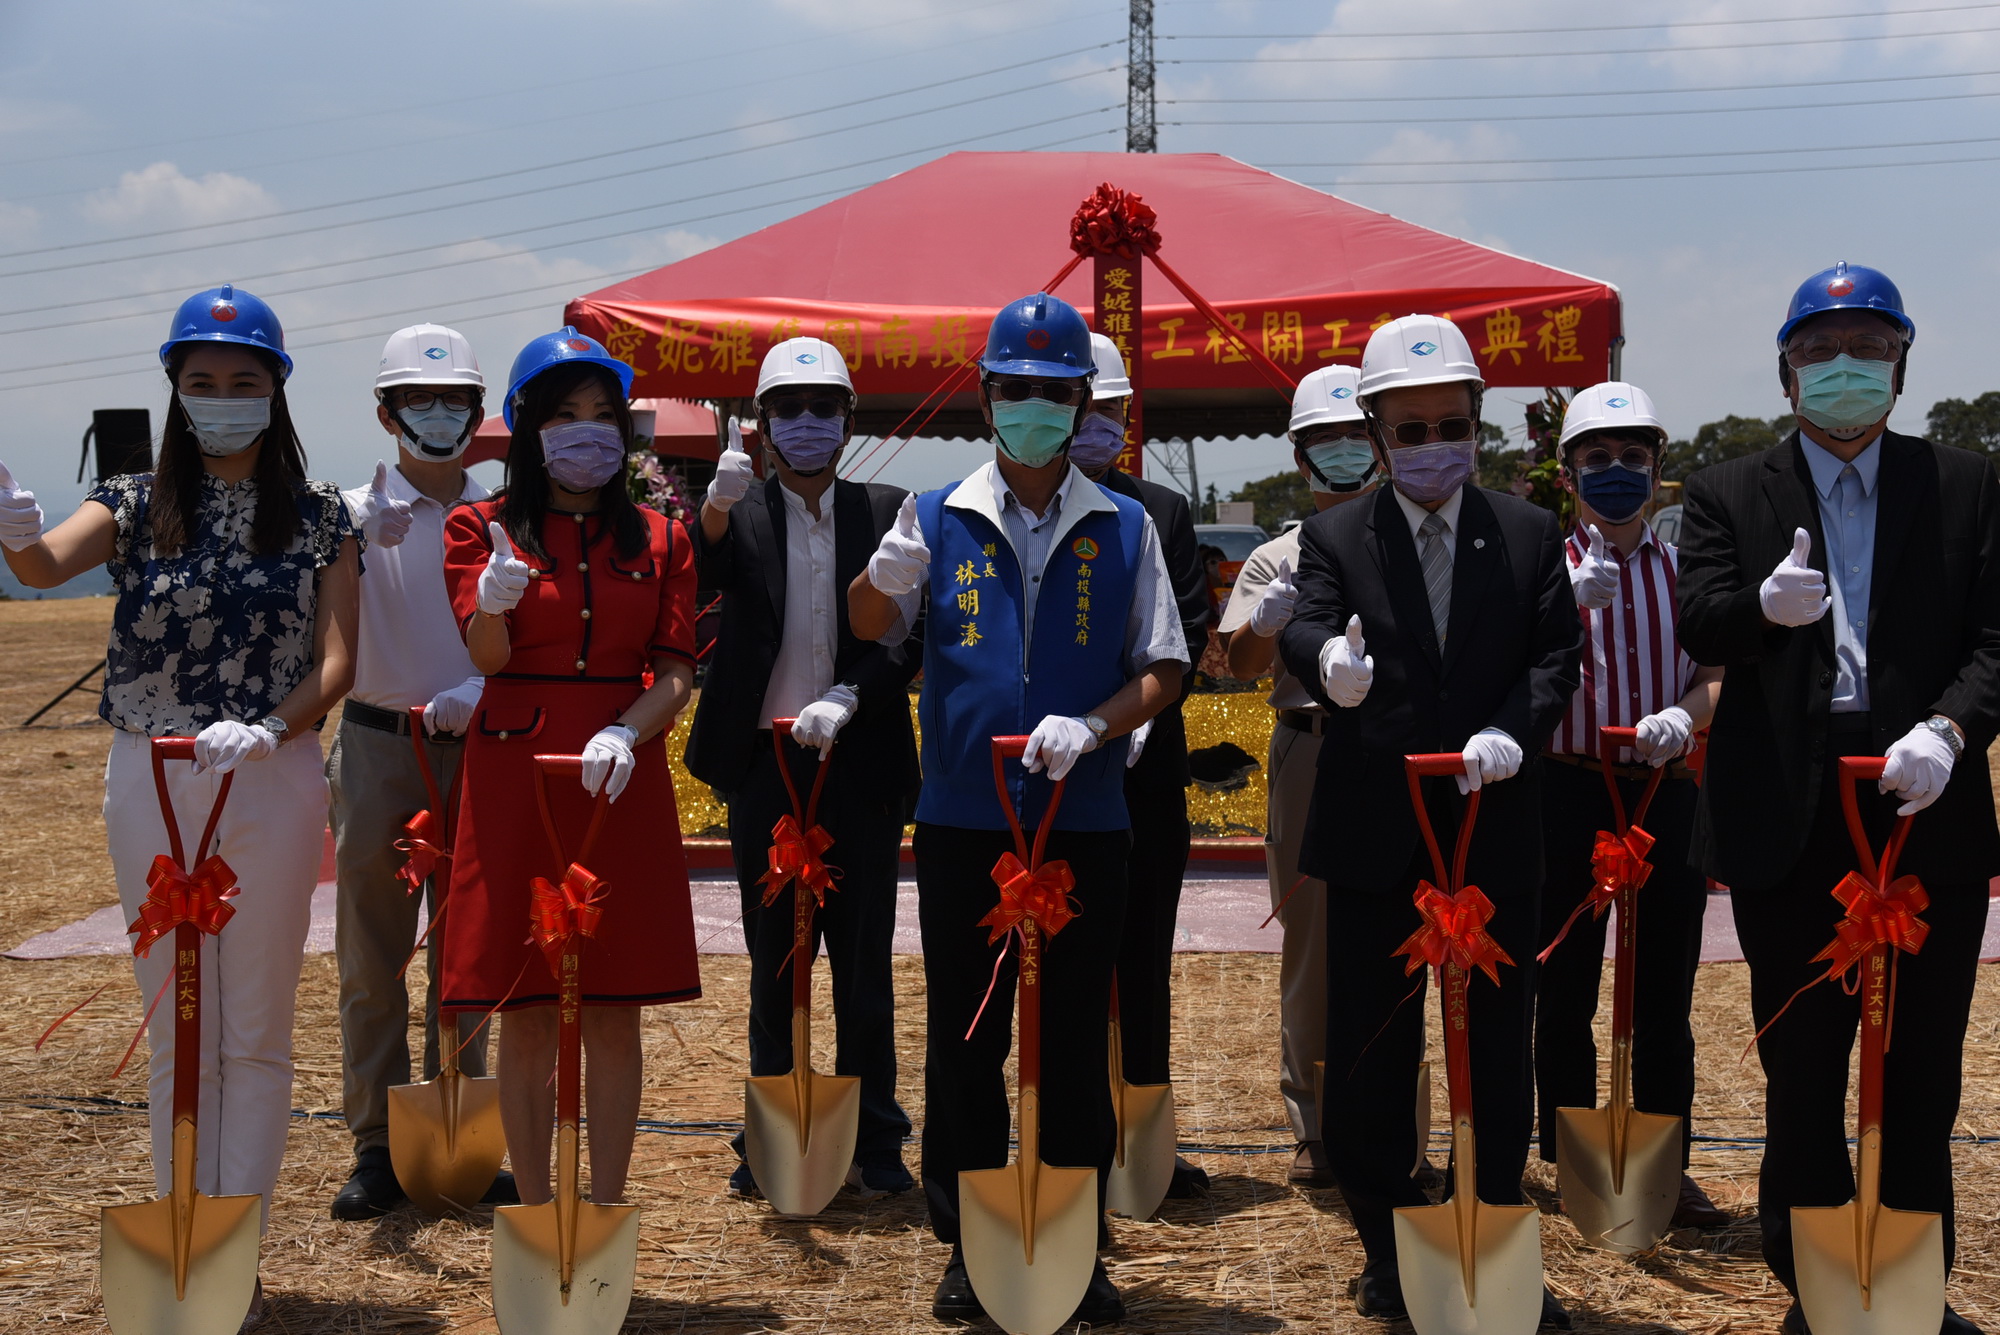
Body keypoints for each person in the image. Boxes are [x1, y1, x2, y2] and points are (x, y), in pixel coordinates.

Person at [0, 285, 359, 1325]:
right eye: (202, 383)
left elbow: (340, 658)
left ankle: (229, 1253)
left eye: (244, 382)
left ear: (276, 390)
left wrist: (276, 727)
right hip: (150, 773)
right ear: (175, 391)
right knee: (174, 1017)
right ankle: (178, 1229)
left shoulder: (325, 513)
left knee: (251, 1021)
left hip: (272, 772)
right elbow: (40, 565)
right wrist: (15, 529)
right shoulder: (128, 497)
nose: (222, 398)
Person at [848, 293, 1187, 1325]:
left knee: (1077, 1038)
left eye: (1052, 393)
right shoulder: (934, 510)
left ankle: (1074, 1245)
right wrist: (881, 575)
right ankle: (970, 1236)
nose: (1032, 408)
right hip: (962, 815)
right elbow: (871, 626)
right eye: (1013, 391)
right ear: (985, 398)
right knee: (968, 1033)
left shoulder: (1123, 522)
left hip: (1083, 819)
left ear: (1081, 403)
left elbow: (1164, 665)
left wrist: (1092, 728)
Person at [1677, 263, 2000, 1335]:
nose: (1844, 367)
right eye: (1819, 350)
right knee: (1805, 1067)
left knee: (1918, 1070)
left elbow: (1996, 639)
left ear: (1901, 363)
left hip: (1924, 794)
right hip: (1789, 805)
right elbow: (1700, 626)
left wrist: (1948, 729)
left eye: (1867, 347)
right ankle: (1815, 1286)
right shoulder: (1726, 493)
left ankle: (1907, 1290)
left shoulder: (1963, 483)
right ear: (1784, 373)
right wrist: (1762, 614)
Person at [1276, 314, 1581, 1327]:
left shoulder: (1530, 533)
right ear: (1371, 431)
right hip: (1375, 832)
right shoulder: (1333, 534)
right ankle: (1386, 1241)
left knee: (1495, 1051)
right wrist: (1327, 663)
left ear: (1475, 423)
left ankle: (1492, 1238)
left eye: (1448, 424)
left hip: (1492, 830)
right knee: (1370, 1052)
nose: (1429, 446)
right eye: (1406, 431)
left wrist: (1511, 732)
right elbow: (1310, 619)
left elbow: (1552, 658)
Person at [439, 326, 701, 1211]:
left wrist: (628, 732)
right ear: (526, 427)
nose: (587, 432)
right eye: (565, 415)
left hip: (617, 772)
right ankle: (541, 1210)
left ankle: (607, 1207)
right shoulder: (478, 525)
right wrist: (494, 600)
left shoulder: (663, 536)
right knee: (526, 1002)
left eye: (602, 414)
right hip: (514, 772)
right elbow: (481, 653)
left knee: (614, 998)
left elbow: (675, 667)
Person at [685, 337, 920, 1200]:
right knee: (774, 957)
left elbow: (908, 634)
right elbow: (696, 580)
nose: (808, 425)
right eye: (790, 410)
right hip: (765, 761)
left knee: (861, 959)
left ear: (848, 420)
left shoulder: (889, 507)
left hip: (858, 755)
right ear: (763, 424)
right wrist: (712, 512)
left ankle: (877, 1136)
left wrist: (854, 692)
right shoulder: (739, 507)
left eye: (825, 409)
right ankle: (770, 1136)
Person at [327, 324, 514, 1219]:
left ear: (478, 416)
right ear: (386, 412)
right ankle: (374, 1140)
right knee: (373, 950)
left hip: (478, 742)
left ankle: (460, 1129)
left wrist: (482, 685)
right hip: (377, 740)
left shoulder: (502, 514)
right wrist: (348, 544)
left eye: (454, 403)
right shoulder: (341, 513)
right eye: (417, 402)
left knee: (466, 953)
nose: (437, 417)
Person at [1530, 382, 1728, 1229]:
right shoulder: (1538, 569)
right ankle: (1571, 1154)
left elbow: (1717, 671)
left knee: (1662, 993)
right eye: (1597, 459)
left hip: (1662, 789)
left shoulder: (1688, 571)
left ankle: (1665, 1164)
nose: (1617, 473)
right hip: (1566, 784)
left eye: (1633, 459)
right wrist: (1564, 604)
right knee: (1563, 983)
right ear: (1568, 473)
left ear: (1658, 471)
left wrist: (1686, 715)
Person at [1215, 364, 1376, 1188]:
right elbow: (1234, 662)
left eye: (1357, 437)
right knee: (1312, 940)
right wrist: (1267, 623)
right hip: (1310, 742)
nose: (1345, 453)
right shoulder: (1276, 556)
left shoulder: (1403, 542)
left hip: (1392, 744)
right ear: (1300, 453)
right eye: (1326, 441)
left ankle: (1381, 1111)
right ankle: (1312, 1117)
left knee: (1402, 929)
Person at [1069, 332, 1212, 1199]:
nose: (1096, 427)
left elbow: (1188, 630)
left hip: (1149, 778)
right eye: (1085, 413)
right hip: (1066, 776)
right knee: (1072, 965)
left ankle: (1147, 1142)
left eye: (1110, 413)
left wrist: (1141, 720)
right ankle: (1079, 1135)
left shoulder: (1160, 509)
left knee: (1143, 961)